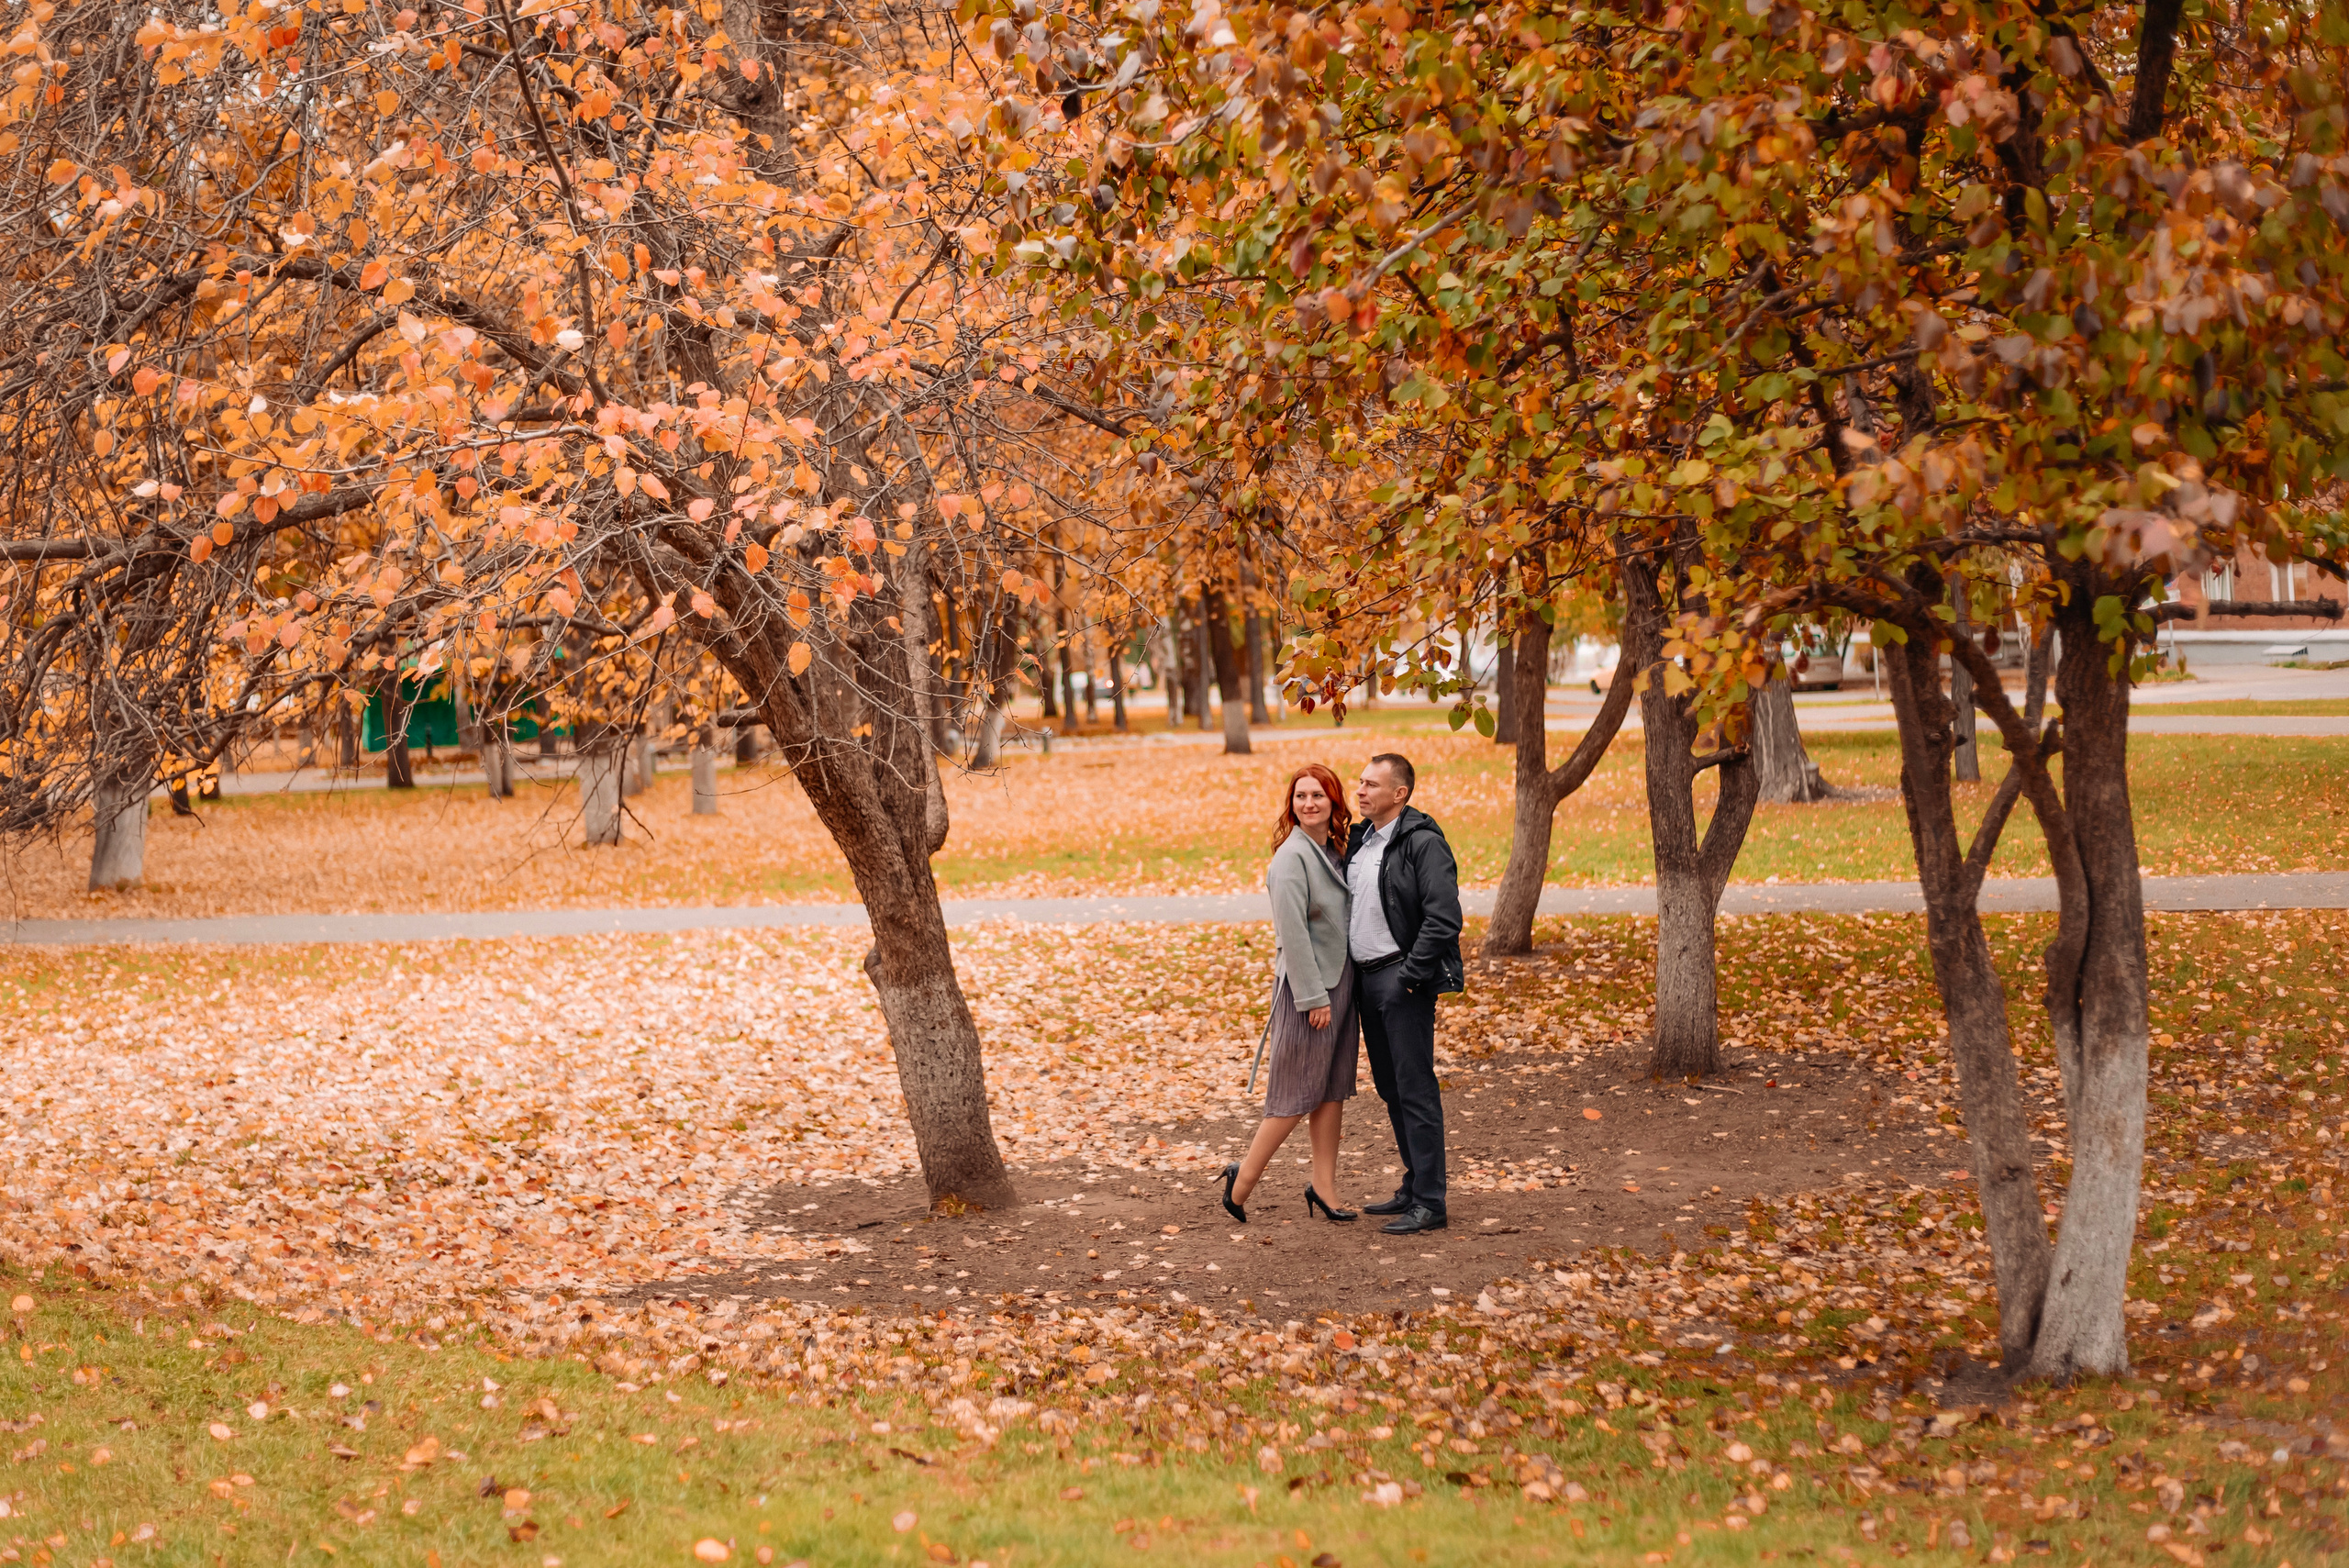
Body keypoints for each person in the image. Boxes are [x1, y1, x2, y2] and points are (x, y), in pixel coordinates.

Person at [1221, 763, 1361, 1225]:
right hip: (1310, 993)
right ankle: (1241, 1182)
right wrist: (1312, 997)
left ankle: (1324, 1187)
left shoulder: (1336, 849)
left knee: (1330, 1090)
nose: (1308, 803)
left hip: (1340, 986)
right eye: (1300, 796)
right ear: (1292, 804)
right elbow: (1293, 934)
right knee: (1294, 1095)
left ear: (1334, 801)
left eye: (1318, 795)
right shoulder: (1290, 859)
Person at [1345, 752, 1463, 1235]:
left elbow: (1444, 917)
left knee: (1415, 1089)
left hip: (1401, 980)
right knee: (1392, 1089)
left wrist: (1411, 975)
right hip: (1366, 980)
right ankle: (1414, 1186)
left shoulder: (1422, 843)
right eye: (1360, 782)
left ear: (1400, 794)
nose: (1361, 791)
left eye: (1372, 785)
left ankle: (1431, 1202)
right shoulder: (1361, 840)